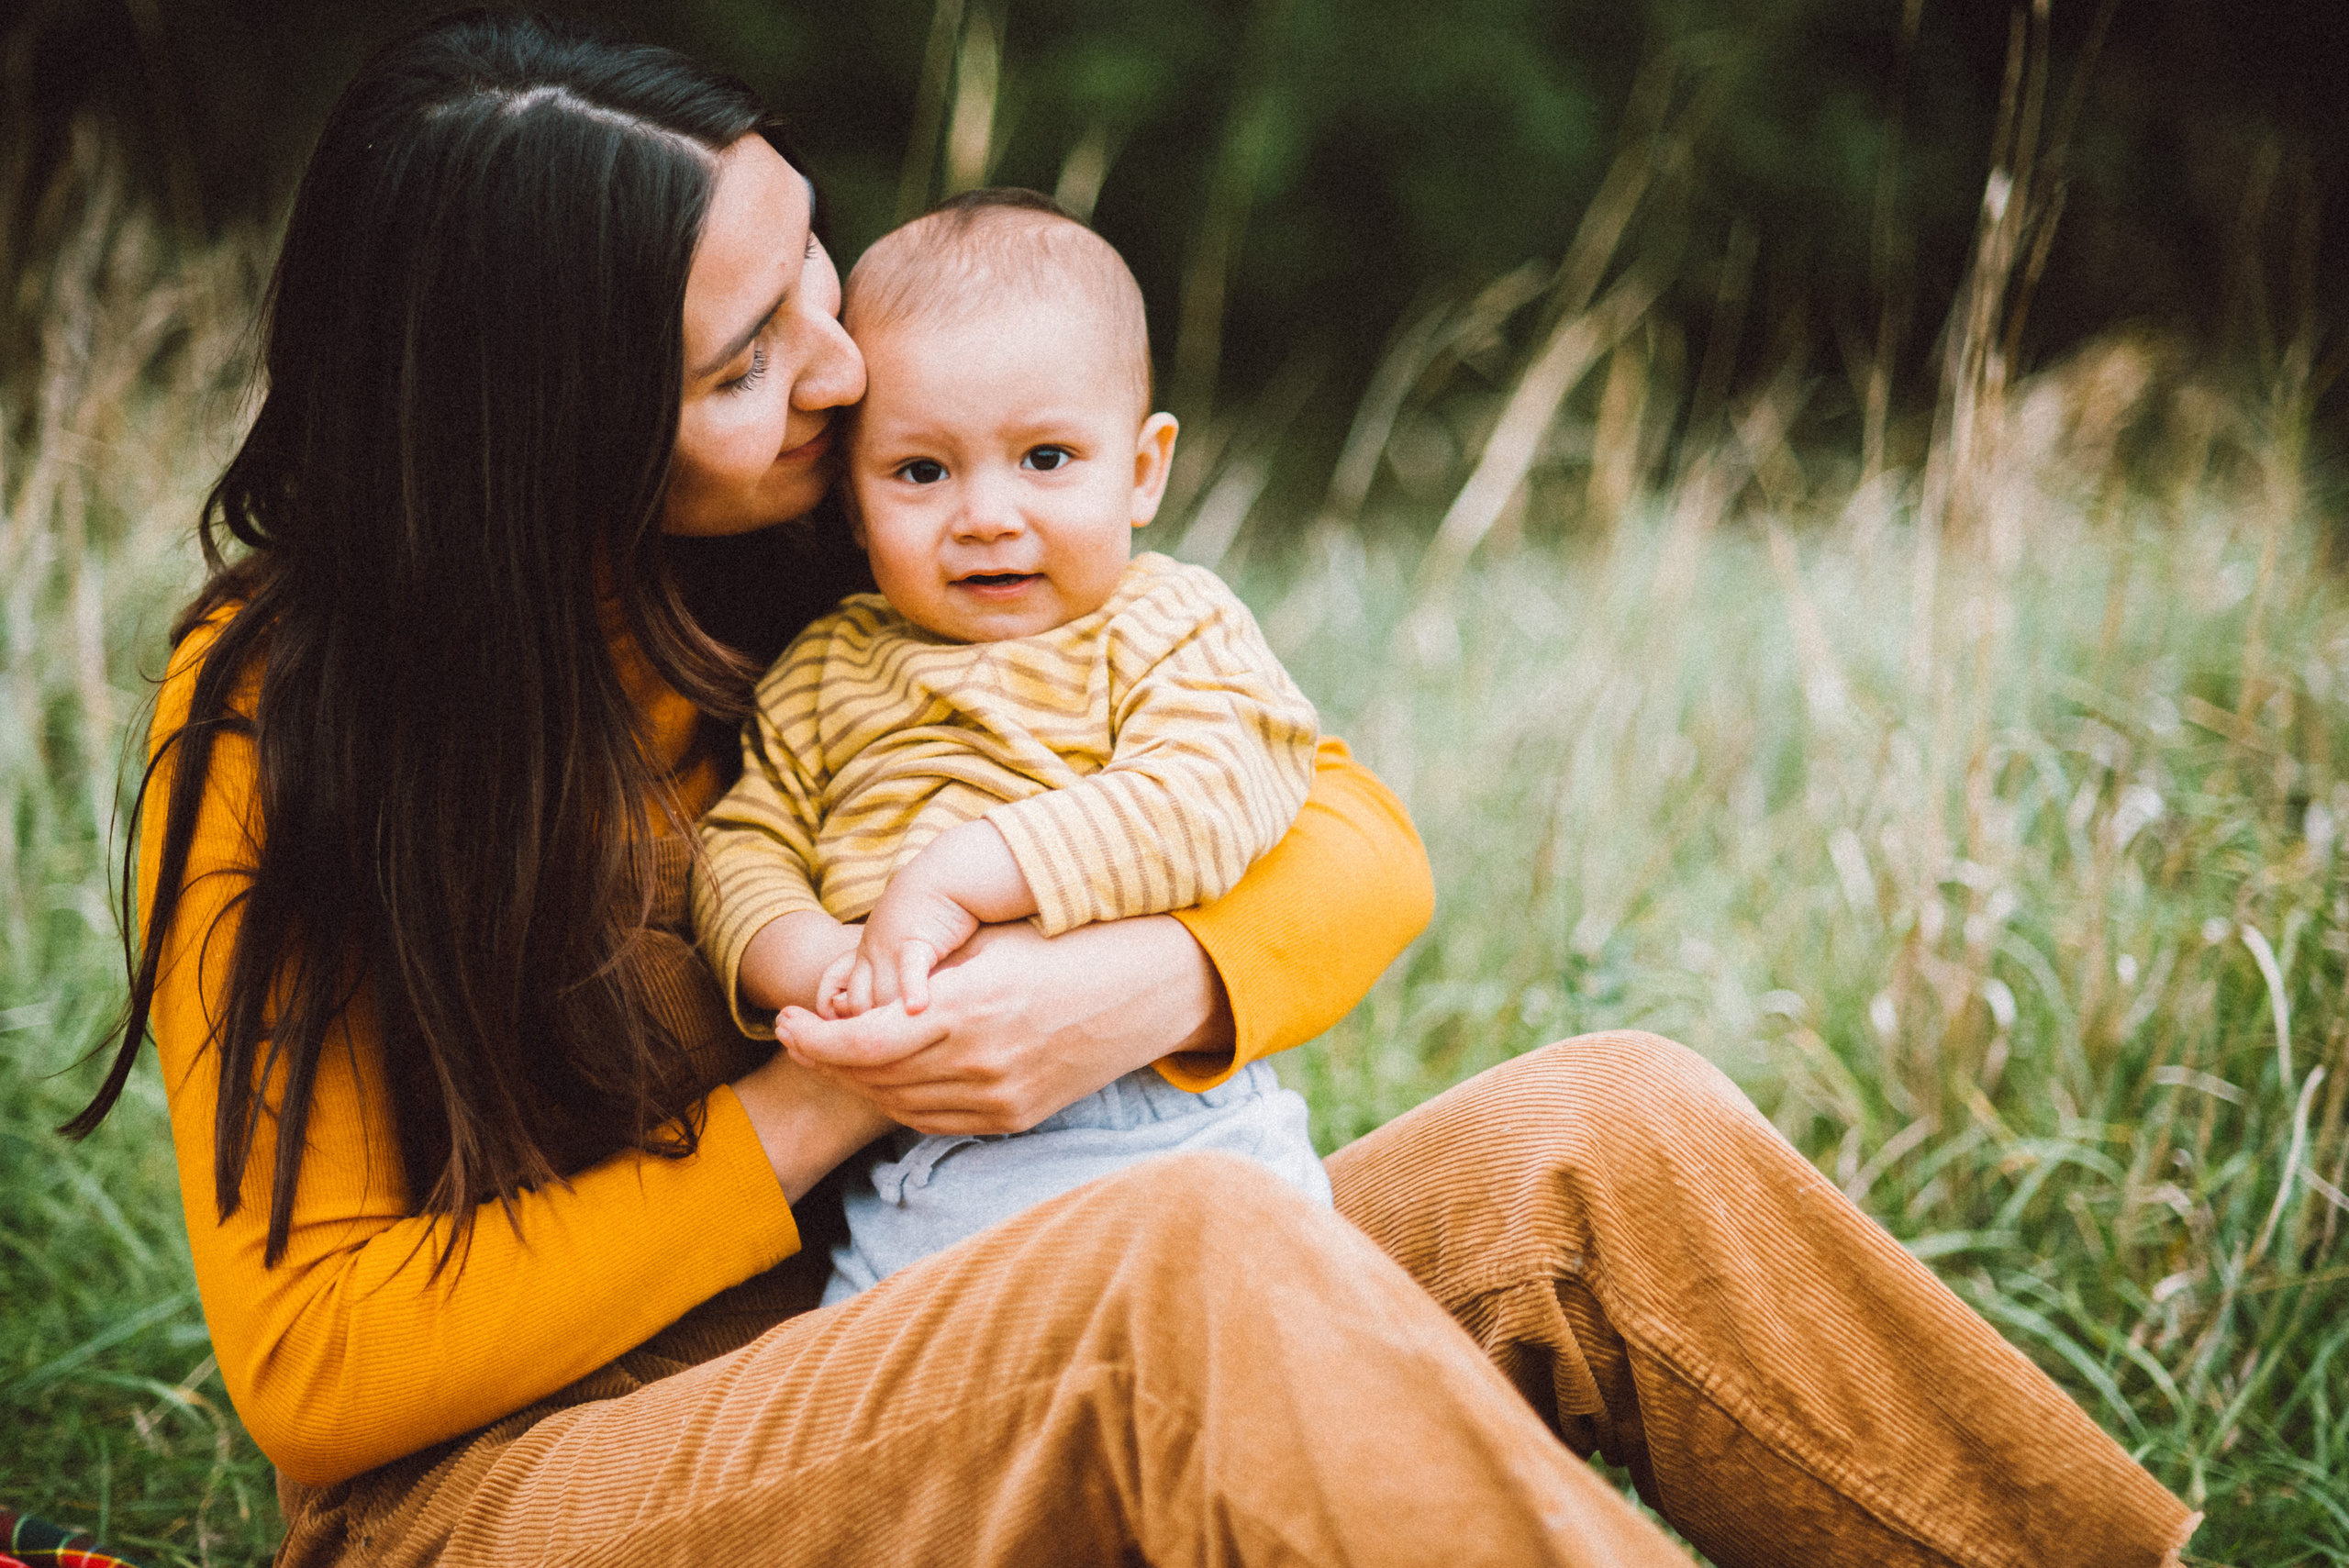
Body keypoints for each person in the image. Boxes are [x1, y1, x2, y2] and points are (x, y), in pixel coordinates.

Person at [66, 12, 2199, 1567]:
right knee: (1173, 1264)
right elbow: (323, 1374)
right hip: (529, 1496)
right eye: (738, 363)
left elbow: (1341, 830)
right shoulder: (289, 714)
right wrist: (846, 1090)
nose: (834, 362)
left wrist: (1150, 985)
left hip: (921, 1320)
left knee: (1596, 1129)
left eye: (807, 271)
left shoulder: (849, 521)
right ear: (541, 431)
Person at [696, 190, 1332, 1303]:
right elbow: (741, 844)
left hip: (1148, 1111)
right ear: (850, 501)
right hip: (913, 1180)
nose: (986, 514)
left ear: (1141, 469)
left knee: (1259, 1358)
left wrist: (960, 879)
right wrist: (816, 963)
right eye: (922, 472)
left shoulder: (1167, 625)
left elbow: (1211, 791)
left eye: (1044, 457)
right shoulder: (824, 670)